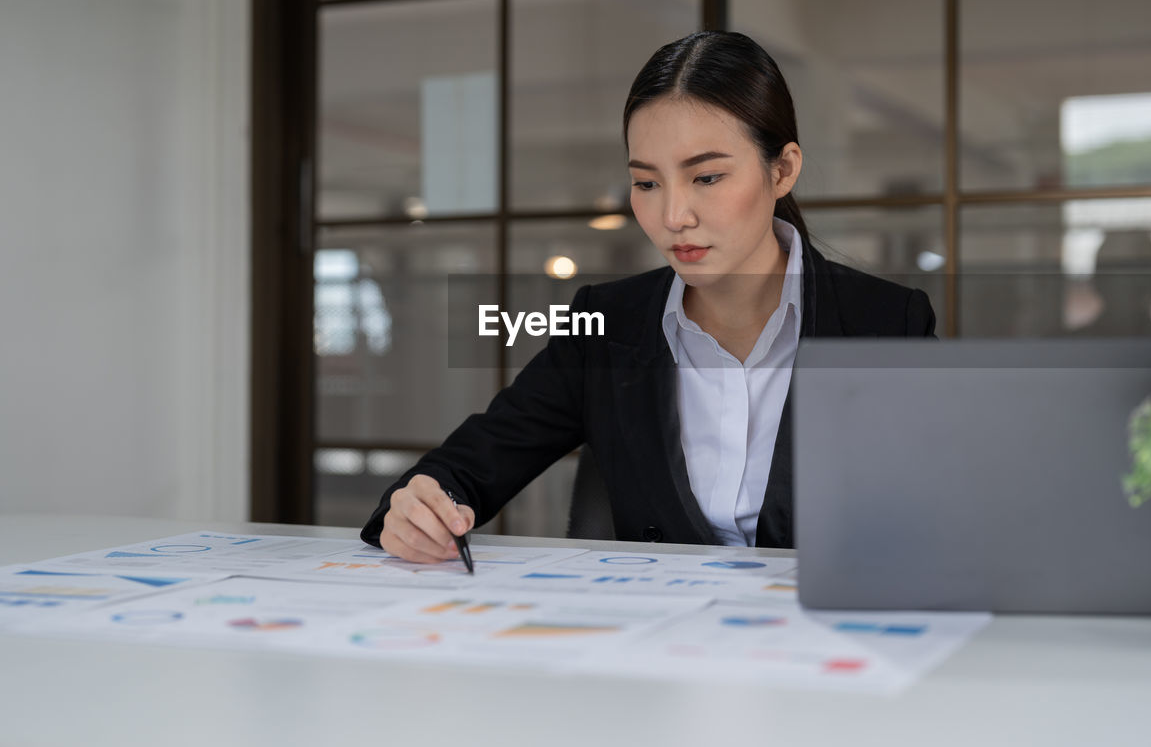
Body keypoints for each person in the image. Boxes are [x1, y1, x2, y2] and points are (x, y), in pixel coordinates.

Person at [360, 31, 936, 559]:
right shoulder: (606, 325)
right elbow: (467, 465)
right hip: (655, 651)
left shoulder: (885, 322)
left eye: (706, 177)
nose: (672, 216)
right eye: (646, 183)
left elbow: (940, 519)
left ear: (782, 170)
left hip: (827, 652)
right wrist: (418, 508)